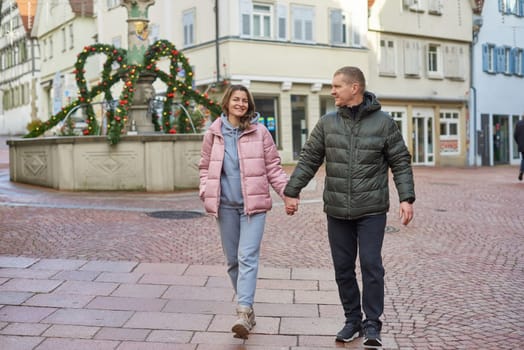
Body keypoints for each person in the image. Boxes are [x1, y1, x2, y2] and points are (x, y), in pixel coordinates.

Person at [283, 66, 415, 348]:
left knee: (371, 265)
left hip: (372, 209)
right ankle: (352, 320)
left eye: (336, 86)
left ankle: (372, 325)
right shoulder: (327, 123)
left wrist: (406, 198)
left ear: (354, 88)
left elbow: (401, 161)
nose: (332, 91)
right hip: (337, 209)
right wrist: (292, 192)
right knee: (343, 268)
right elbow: (309, 159)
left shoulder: (383, 123)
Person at [198, 84, 290, 339]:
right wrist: (206, 190)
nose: (241, 104)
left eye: (245, 101)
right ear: (227, 103)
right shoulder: (213, 134)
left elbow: (273, 167)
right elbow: (204, 167)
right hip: (225, 206)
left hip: (253, 208)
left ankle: (243, 309)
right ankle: (247, 310)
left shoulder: (260, 132)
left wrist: (287, 194)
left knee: (247, 256)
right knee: (232, 261)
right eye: (236, 99)